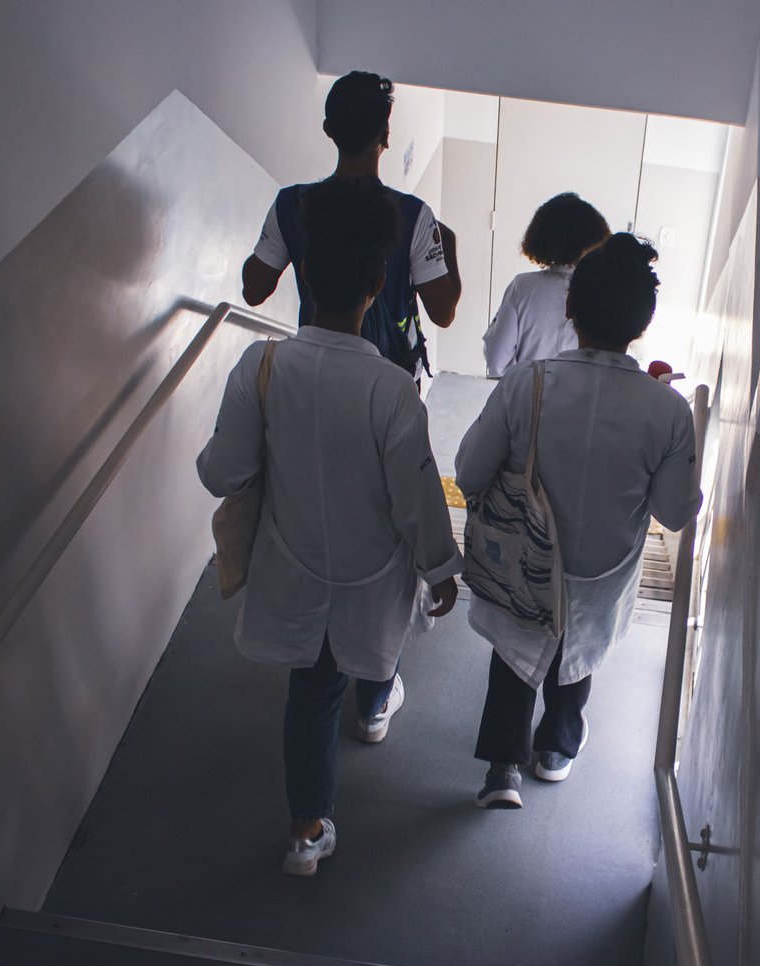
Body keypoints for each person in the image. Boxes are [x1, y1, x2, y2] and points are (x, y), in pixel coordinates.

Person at [198, 180, 461, 875]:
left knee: (311, 691)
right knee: (376, 644)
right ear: (379, 285)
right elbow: (415, 498)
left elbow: (221, 473)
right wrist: (440, 566)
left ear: (306, 275)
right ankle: (375, 705)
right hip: (374, 573)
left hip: (294, 562)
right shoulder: (392, 391)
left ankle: (306, 834)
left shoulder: (261, 365)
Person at [455, 234, 702, 808]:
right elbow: (672, 511)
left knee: (514, 650)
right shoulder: (667, 411)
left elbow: (468, 472)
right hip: (601, 575)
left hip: (523, 563)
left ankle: (501, 770)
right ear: (643, 323)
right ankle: (556, 749)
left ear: (570, 307)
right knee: (579, 654)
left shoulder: (526, 384)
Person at [241, 71, 461, 383]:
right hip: (386, 379)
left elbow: (253, 291)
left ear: (328, 130)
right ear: (385, 135)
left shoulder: (291, 205)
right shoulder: (413, 216)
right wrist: (448, 243)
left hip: (312, 373)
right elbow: (443, 313)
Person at [481, 192, 610, 378]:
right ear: (598, 236)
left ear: (540, 236)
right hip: (585, 399)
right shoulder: (605, 289)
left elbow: (496, 361)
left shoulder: (522, 287)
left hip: (529, 398)